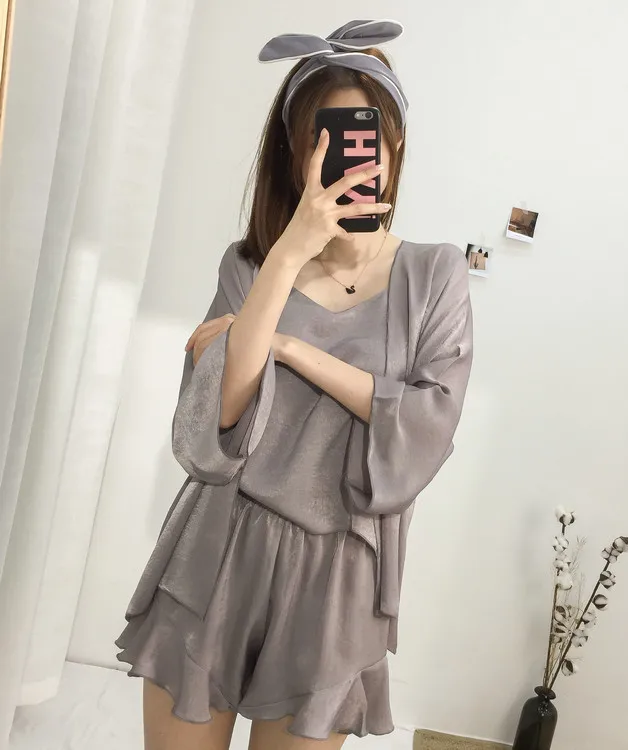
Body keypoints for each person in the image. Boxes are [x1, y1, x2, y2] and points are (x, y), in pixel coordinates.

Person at [115, 19, 473, 750]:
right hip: (217, 548)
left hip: (336, 577)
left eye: (361, 137)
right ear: (294, 152)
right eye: (321, 139)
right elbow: (215, 426)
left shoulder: (435, 274)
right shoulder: (250, 267)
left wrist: (287, 347)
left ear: (393, 146)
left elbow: (426, 428)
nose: (341, 157)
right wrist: (286, 258)